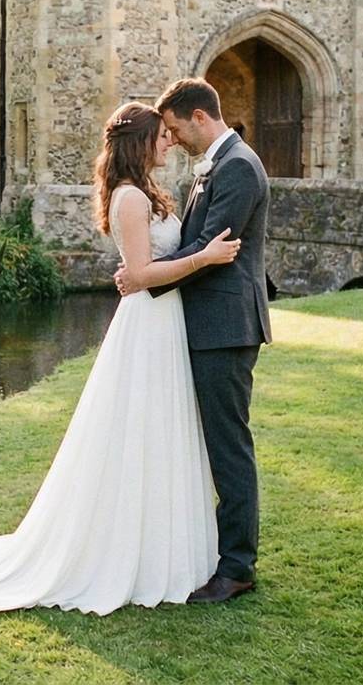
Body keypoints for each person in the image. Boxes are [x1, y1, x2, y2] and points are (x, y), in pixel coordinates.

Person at [0, 102, 242, 617]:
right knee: (136, 434)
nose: (170, 142)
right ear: (140, 143)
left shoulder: (149, 193)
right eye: (161, 136)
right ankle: (128, 553)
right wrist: (205, 258)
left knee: (162, 433)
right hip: (147, 326)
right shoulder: (129, 198)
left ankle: (169, 546)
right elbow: (142, 275)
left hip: (167, 325)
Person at [118, 77, 271, 604]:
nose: (175, 140)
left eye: (177, 129)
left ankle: (237, 568)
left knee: (229, 448)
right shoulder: (215, 166)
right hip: (202, 323)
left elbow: (212, 248)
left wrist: (144, 277)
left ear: (199, 117)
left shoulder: (238, 168)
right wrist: (144, 273)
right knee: (205, 445)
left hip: (225, 326)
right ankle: (210, 554)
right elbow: (195, 245)